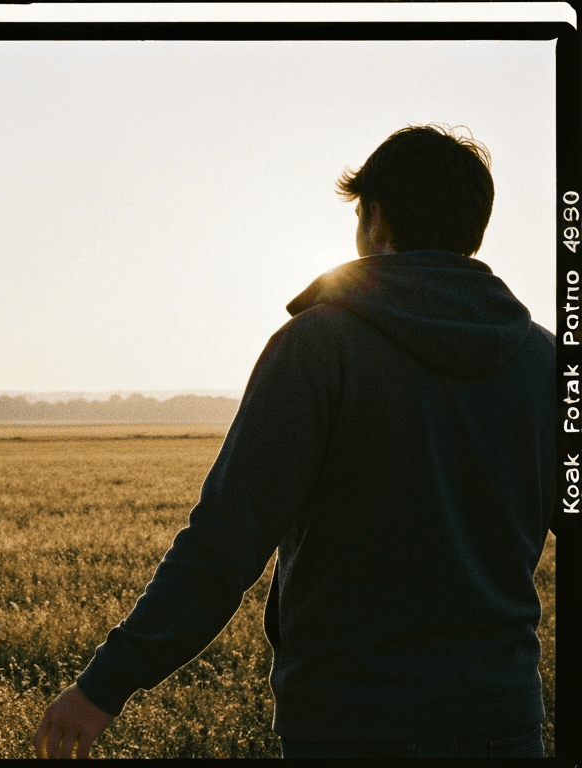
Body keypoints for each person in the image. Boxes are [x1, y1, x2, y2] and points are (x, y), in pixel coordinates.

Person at [34, 124, 556, 759]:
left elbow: (226, 542)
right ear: (474, 228)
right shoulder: (545, 362)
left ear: (374, 217)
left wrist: (104, 685)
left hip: (348, 726)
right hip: (503, 723)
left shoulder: (319, 347)